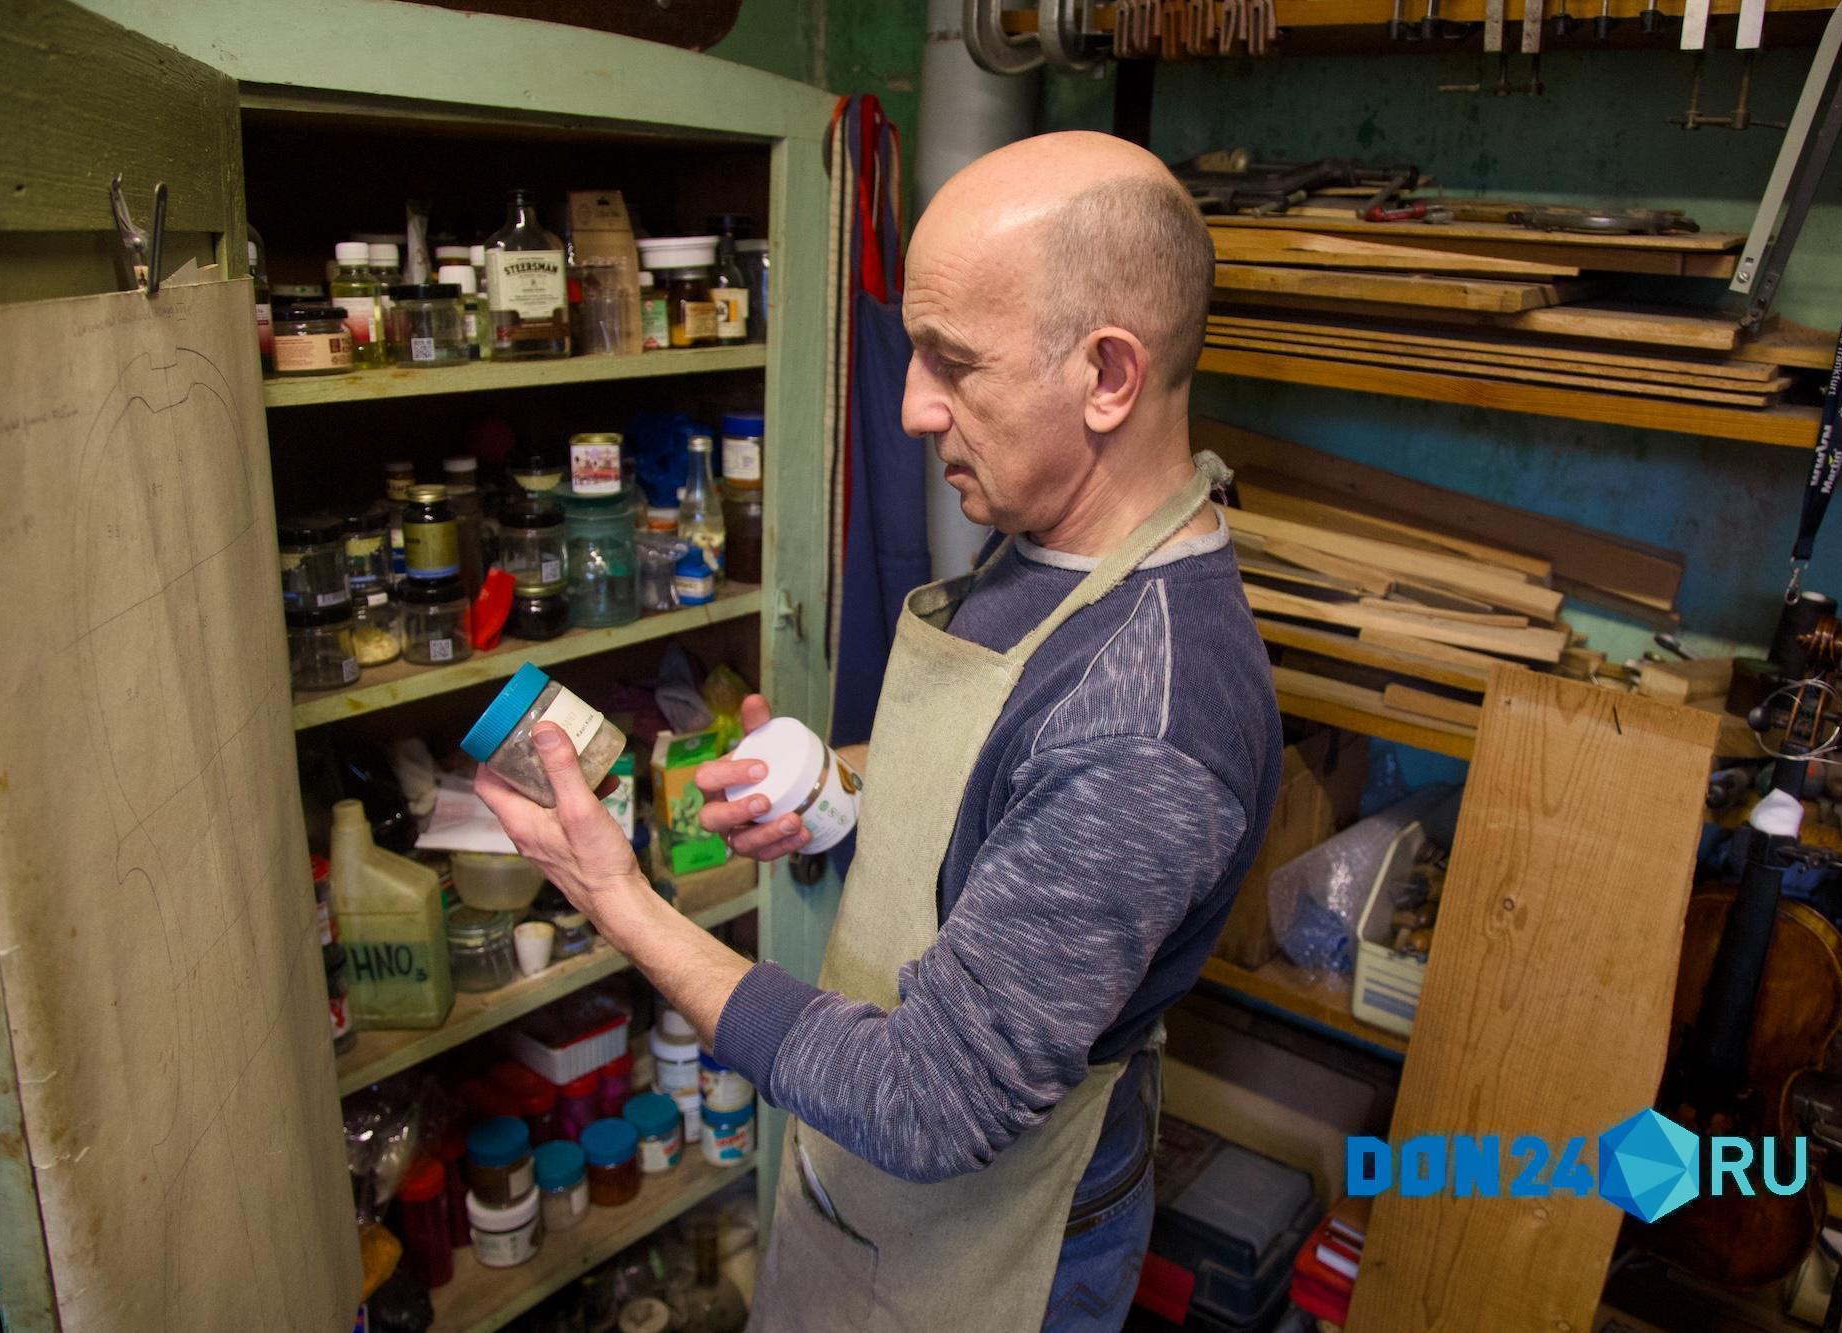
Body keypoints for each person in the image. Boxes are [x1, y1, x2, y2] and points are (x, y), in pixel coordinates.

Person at [478, 131, 1281, 1331]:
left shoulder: (1146, 726)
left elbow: (925, 1102)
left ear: (1107, 376)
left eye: (952, 361)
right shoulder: (1052, 541)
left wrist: (618, 900)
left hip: (991, 1236)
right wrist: (838, 796)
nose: (910, 407)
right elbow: (997, 806)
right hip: (872, 1191)